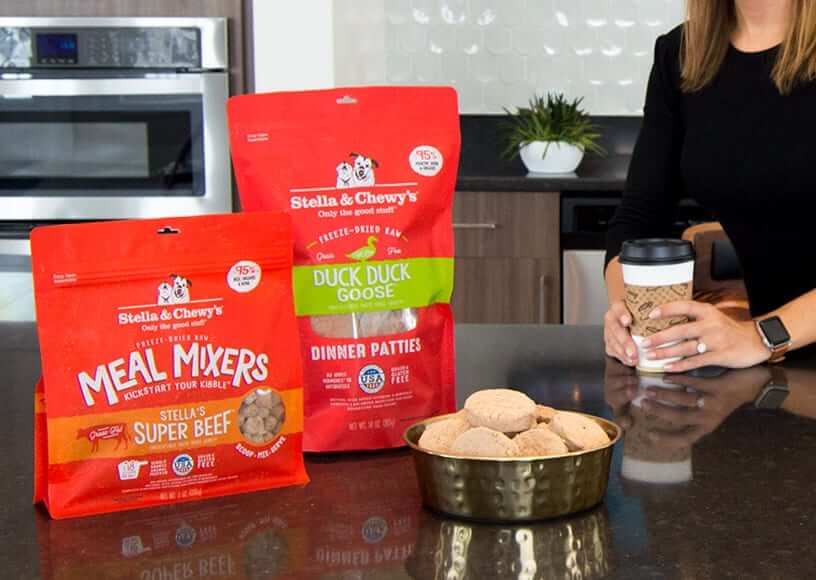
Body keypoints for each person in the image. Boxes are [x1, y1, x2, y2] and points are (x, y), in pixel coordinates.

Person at [604, 0, 816, 371]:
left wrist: (763, 335)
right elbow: (638, 217)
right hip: (775, 365)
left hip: (768, 343)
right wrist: (627, 315)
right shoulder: (683, 55)